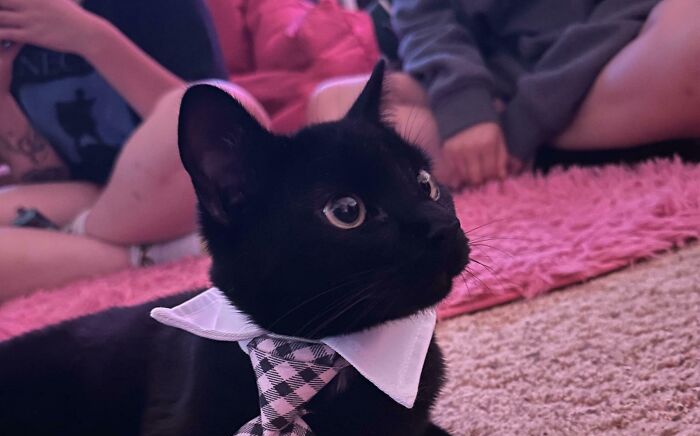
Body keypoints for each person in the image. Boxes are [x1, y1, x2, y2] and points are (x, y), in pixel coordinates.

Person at [0, 0, 269, 302]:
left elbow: (206, 121)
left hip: (177, 185)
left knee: (229, 102)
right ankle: (157, 252)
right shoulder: (11, 23)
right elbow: (45, 178)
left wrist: (92, 39)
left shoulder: (156, 8)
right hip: (93, 199)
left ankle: (76, 243)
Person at [309, 0, 699, 190]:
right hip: (498, 80)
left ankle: (524, 152)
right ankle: (540, 152)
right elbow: (425, 20)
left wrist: (524, 121)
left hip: (618, 53)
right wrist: (465, 108)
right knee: (335, 108)